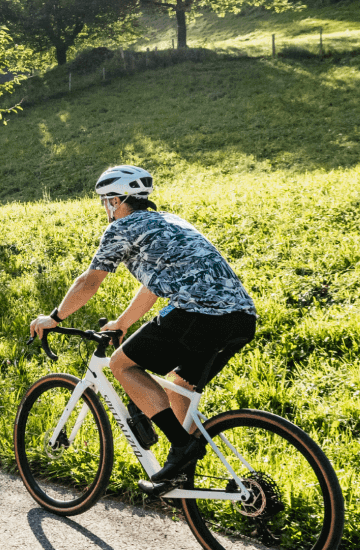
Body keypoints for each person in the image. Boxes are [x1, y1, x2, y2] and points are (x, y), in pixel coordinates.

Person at [29, 165, 256, 495]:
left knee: (122, 365)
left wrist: (55, 317)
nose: (104, 208)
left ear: (117, 200)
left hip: (198, 313)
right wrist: (121, 324)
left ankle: (183, 449)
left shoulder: (121, 229)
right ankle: (181, 477)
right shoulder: (172, 222)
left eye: (105, 201)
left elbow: (89, 282)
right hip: (241, 317)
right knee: (181, 387)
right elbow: (152, 287)